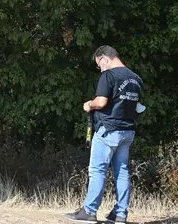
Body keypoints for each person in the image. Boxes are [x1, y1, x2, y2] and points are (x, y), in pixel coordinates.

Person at [66, 45, 143, 223]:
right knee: (122, 172)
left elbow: (101, 102)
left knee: (97, 170)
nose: (100, 69)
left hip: (108, 130)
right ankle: (120, 214)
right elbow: (137, 105)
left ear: (104, 59)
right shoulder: (135, 78)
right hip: (127, 131)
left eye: (99, 65)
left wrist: (89, 105)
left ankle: (89, 211)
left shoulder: (109, 75)